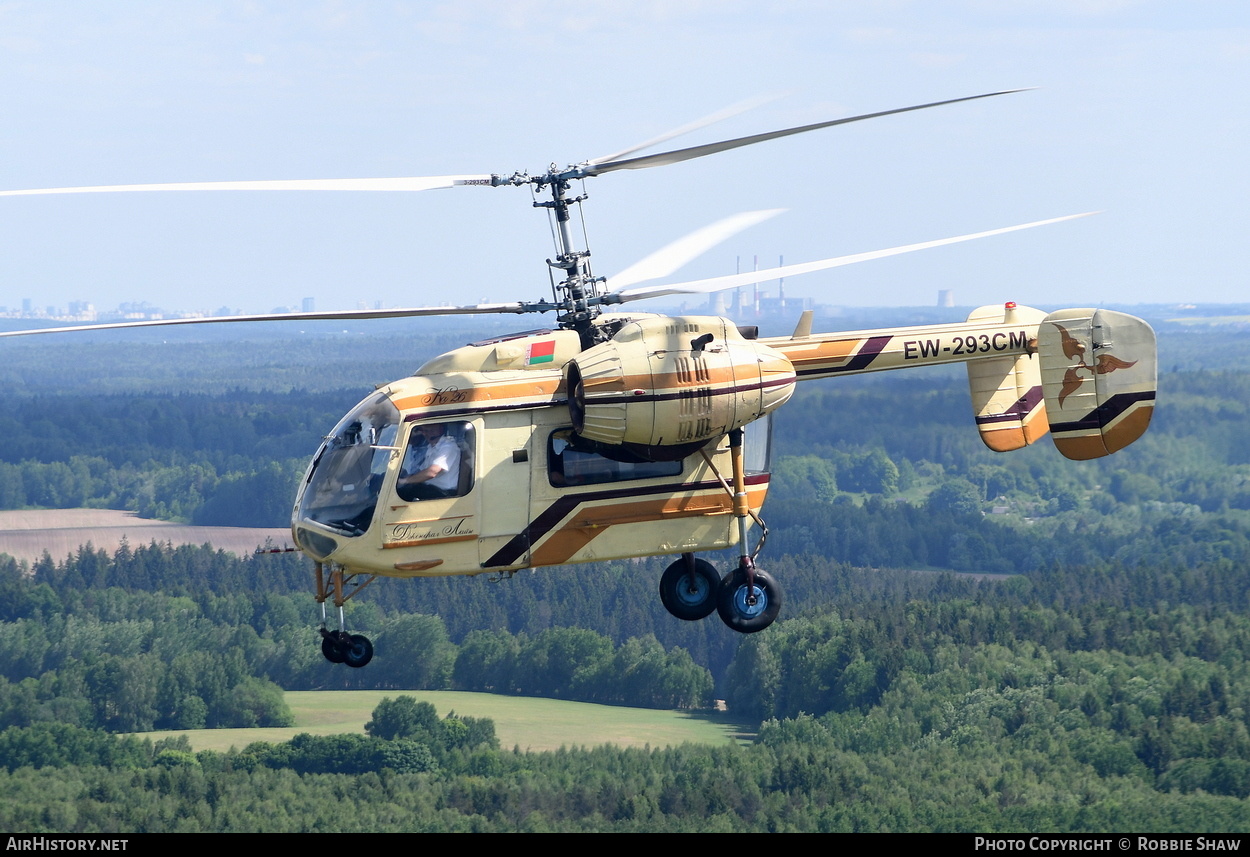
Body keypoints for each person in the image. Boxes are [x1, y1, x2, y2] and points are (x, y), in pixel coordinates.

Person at [397, 423, 462, 501]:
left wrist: (405, 481)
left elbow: (432, 472)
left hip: (443, 493)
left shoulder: (448, 447)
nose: (427, 434)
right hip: (429, 488)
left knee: (401, 493)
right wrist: (404, 476)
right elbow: (422, 472)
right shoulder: (431, 447)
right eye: (424, 431)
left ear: (441, 430)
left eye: (431, 430)